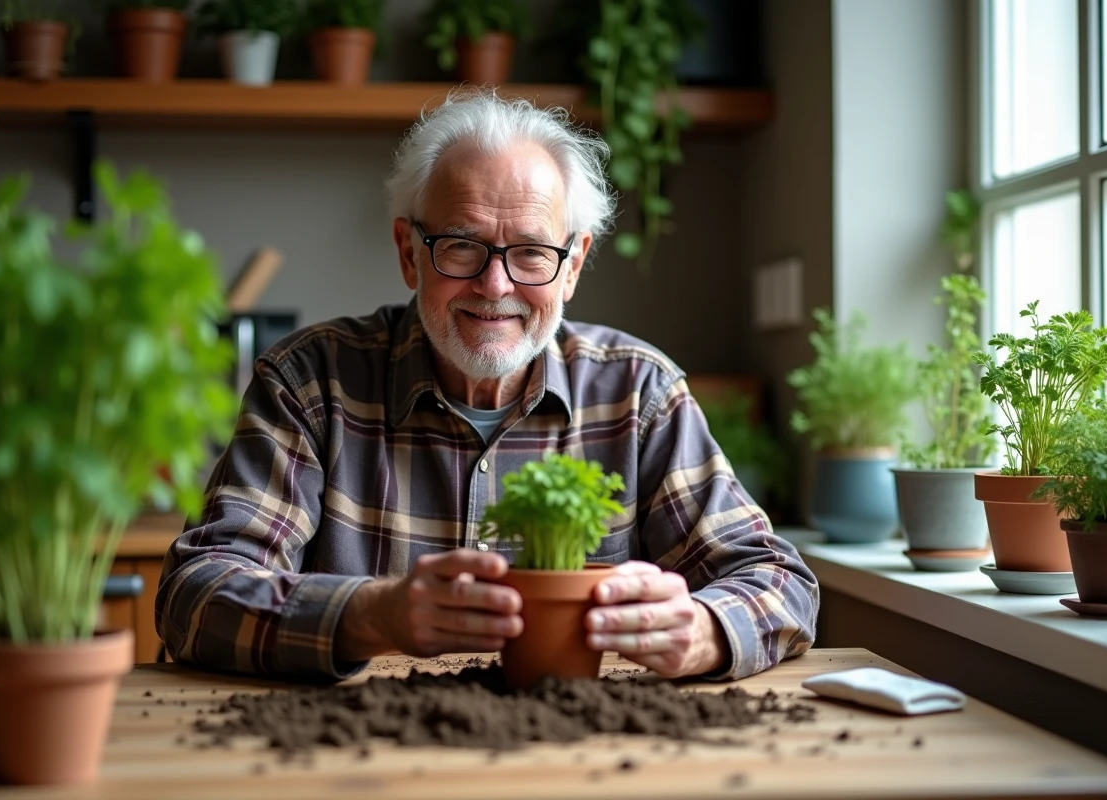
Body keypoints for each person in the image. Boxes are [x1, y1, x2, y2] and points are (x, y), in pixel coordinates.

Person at [156, 89, 819, 682]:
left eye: (532, 252)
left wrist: (701, 631)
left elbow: (780, 582)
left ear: (573, 266)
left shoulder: (638, 393)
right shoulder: (311, 383)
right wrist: (371, 614)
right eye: (462, 246)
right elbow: (196, 594)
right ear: (408, 252)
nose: (496, 286)